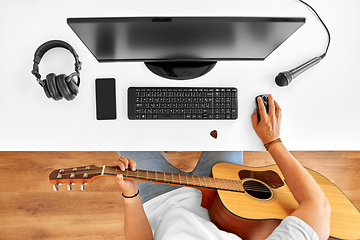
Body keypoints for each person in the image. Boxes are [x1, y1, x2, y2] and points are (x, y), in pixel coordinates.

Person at [114, 94, 331, 240]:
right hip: (224, 198)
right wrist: (272, 141)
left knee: (121, 121)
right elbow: (318, 207)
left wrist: (131, 195)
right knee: (232, 111)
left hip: (159, 203)